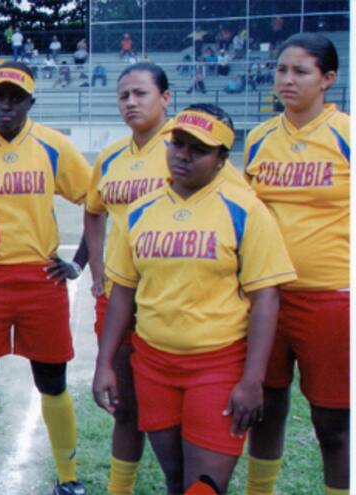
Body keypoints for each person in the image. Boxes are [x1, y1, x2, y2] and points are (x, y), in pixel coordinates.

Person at [93, 104, 296, 494]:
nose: (183, 156)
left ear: (222, 159)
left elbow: (266, 299)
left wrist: (253, 380)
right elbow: (123, 293)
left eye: (199, 149)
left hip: (217, 364)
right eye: (178, 144)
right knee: (175, 479)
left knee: (203, 486)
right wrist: (104, 363)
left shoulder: (246, 210)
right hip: (153, 363)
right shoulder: (140, 210)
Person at [84, 63, 249, 495]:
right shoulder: (111, 157)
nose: (131, 102)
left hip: (182, 301)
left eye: (140, 93)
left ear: (166, 98)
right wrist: (97, 269)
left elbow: (241, 214)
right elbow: (93, 210)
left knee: (186, 432)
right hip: (123, 293)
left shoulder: (195, 147)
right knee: (125, 408)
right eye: (123, 95)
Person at [0, 62, 92, 495]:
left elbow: (94, 201)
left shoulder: (52, 146)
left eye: (16, 98)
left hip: (40, 278)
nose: (6, 105)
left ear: (30, 102)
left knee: (52, 379)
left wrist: (79, 262)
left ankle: (68, 477)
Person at [243, 33, 350, 495]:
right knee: (264, 409)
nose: (287, 79)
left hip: (331, 297)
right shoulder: (259, 139)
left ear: (328, 79)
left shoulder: (346, 134)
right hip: (267, 296)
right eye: (281, 70)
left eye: (300, 71)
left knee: (333, 422)